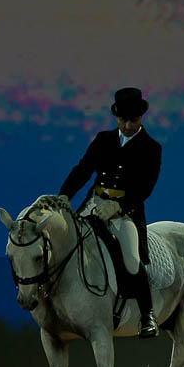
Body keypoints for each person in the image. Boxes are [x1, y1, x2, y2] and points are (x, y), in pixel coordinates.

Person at [59, 87, 162, 338]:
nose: (127, 126)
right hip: (94, 204)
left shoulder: (151, 148)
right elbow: (83, 169)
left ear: (141, 118)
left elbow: (145, 187)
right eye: (122, 120)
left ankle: (147, 314)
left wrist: (119, 206)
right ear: (116, 117)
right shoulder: (103, 140)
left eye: (132, 121)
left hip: (125, 212)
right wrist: (65, 194)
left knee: (132, 260)